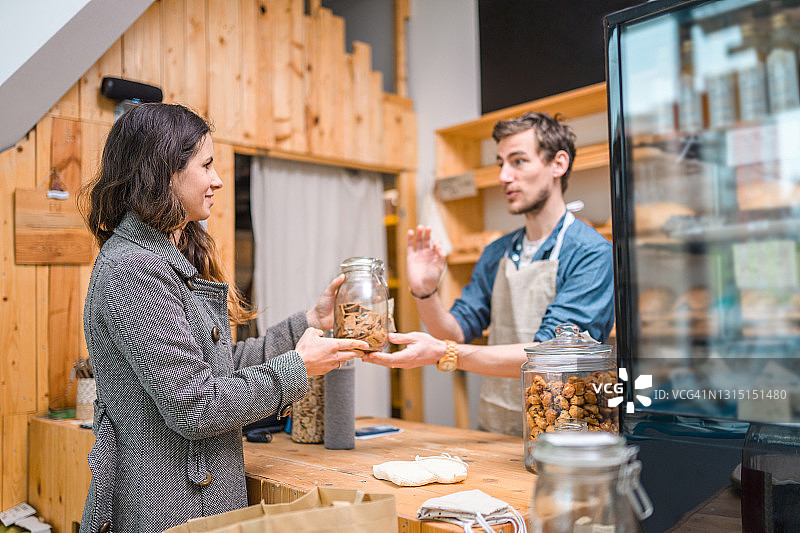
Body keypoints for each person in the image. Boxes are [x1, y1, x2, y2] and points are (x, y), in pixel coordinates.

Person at [77, 103, 367, 533]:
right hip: (171, 509)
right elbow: (197, 406)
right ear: (164, 173)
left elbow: (217, 366)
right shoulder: (132, 269)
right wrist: (298, 368)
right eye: (206, 165)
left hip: (192, 496)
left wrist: (309, 321)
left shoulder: (160, 257)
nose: (217, 180)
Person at [363, 112, 614, 436]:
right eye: (500, 163)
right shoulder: (497, 252)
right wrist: (426, 292)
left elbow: (553, 354)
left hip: (567, 430)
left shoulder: (590, 253)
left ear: (558, 164)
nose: (504, 176)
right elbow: (454, 331)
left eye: (518, 161)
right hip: (496, 428)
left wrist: (445, 354)